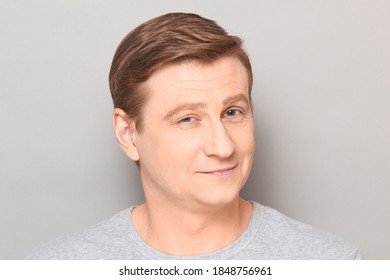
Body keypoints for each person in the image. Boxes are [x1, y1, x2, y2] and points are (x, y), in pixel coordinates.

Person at [26, 12, 361, 259]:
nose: (223, 146)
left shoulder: (332, 263)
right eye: (188, 119)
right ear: (128, 133)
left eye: (233, 112)